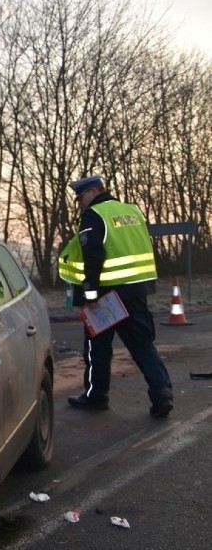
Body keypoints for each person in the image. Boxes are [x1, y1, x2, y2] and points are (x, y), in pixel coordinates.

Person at [58, 175, 174, 418]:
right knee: (143, 346)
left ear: (93, 191)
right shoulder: (131, 211)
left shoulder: (94, 215)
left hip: (105, 295)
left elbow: (93, 256)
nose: (79, 202)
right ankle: (162, 394)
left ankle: (96, 396)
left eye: (80, 197)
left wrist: (89, 294)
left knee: (97, 349)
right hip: (136, 292)